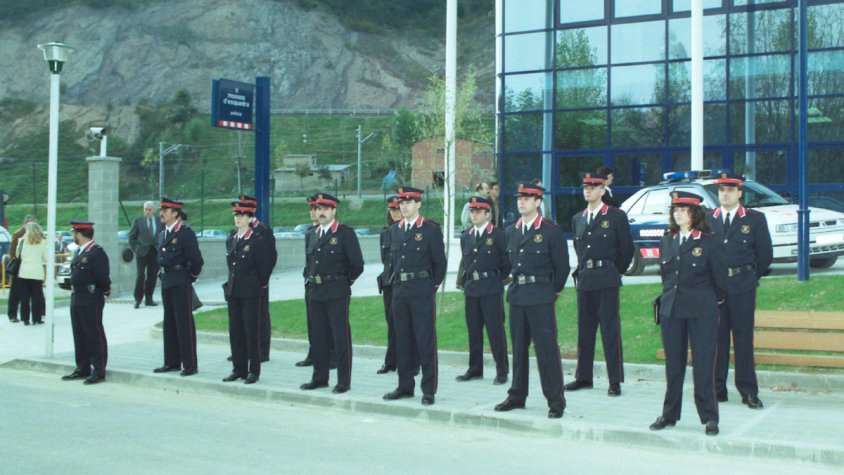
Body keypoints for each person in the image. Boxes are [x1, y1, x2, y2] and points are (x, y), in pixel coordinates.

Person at [650, 191, 727, 436]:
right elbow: (667, 277)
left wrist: (707, 301)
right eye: (675, 210)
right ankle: (669, 414)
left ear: (694, 213)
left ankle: (709, 417)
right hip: (672, 310)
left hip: (701, 310)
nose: (678, 213)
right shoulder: (668, 240)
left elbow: (720, 280)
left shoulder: (709, 241)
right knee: (674, 366)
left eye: (683, 210)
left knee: (703, 365)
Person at [494, 183, 570, 419]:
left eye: (527, 198)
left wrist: (552, 292)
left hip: (540, 297)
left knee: (546, 350)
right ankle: (517, 395)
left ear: (538, 202)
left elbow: (562, 268)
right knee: (518, 350)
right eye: (519, 198)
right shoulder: (510, 231)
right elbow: (506, 266)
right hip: (517, 296)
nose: (521, 202)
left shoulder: (550, 231)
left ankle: (555, 401)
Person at [707, 173, 773, 409]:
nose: (725, 194)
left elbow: (765, 256)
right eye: (721, 190)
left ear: (740, 192)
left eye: (730, 190)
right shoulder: (707, 219)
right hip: (715, 288)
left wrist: (747, 277)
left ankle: (748, 391)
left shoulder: (754, 219)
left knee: (743, 339)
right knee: (717, 339)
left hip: (742, 286)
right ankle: (717, 389)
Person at [566, 173, 634, 396]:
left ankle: (615, 381)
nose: (588, 190)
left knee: (609, 331)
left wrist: (615, 270)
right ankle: (583, 377)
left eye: (593, 187)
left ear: (602, 191)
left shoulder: (615, 216)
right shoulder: (578, 218)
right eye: (586, 187)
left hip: (606, 277)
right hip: (586, 278)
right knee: (585, 331)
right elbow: (579, 249)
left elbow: (626, 249)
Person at [383, 186, 446, 406]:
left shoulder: (429, 229)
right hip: (400, 288)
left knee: (425, 339)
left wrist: (431, 287)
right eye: (401, 202)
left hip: (421, 287)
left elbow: (440, 263)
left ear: (418, 204)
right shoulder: (394, 231)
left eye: (409, 202)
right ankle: (405, 385)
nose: (404, 206)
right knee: (402, 339)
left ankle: (428, 389)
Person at [300, 193, 364, 394]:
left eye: (326, 209)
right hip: (315, 291)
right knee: (318, 336)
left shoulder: (345, 234)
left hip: (336, 291)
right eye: (318, 209)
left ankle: (343, 381)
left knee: (340, 337)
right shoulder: (311, 234)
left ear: (334, 210)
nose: (321, 212)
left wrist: (343, 282)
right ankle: (319, 378)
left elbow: (357, 265)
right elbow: (309, 264)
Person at [456, 195, 510, 385]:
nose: (474, 214)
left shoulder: (498, 235)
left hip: (491, 288)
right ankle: (475, 368)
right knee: (474, 331)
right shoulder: (466, 236)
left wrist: (496, 280)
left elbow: (506, 264)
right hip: (471, 288)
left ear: (488, 213)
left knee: (496, 331)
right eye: (472, 211)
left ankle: (502, 370)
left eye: (478, 211)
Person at [222, 199, 275, 385]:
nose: (238, 218)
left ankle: (254, 370)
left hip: (251, 292)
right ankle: (239, 368)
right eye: (236, 215)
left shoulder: (257, 240)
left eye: (242, 215)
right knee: (235, 332)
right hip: (234, 292)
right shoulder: (231, 239)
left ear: (250, 217)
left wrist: (258, 285)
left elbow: (264, 267)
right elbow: (231, 267)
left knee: (251, 331)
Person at [153, 197, 204, 377]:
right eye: (162, 210)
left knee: (184, 323)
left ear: (175, 214)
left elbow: (197, 261)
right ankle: (172, 362)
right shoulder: (162, 234)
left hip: (181, 280)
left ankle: (190, 364)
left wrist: (189, 278)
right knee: (170, 323)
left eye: (165, 210)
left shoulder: (185, 233)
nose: (162, 213)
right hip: (167, 279)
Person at [61, 220, 111, 385]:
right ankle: (82, 367)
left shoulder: (96, 253)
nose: (72, 235)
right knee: (80, 334)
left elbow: (103, 278)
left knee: (93, 334)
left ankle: (98, 370)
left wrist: (104, 292)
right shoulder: (80, 252)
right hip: (77, 297)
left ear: (80, 234)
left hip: (91, 298)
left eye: (73, 232)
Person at [239, 194, 278, 362]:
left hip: (258, 281)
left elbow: (271, 257)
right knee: (242, 316)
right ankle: (243, 350)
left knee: (260, 315)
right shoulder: (237, 231)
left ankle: (262, 351)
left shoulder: (263, 230)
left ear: (252, 211)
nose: (241, 213)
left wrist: (263, 279)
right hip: (241, 282)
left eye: (245, 209)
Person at [376, 195, 403, 374]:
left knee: (405, 324)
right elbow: (385, 260)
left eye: (397, 209)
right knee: (391, 324)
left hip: (403, 283)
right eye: (392, 210)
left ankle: (410, 361)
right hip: (389, 283)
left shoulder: (407, 231)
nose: (394, 213)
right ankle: (391, 360)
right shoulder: (385, 233)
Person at [128, 201, 161, 309]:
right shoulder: (138, 221)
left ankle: (149, 299)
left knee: (152, 276)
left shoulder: (159, 221)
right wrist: (136, 249)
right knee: (140, 276)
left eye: (149, 209)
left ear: (154, 210)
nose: (147, 211)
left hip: (154, 251)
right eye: (146, 209)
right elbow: (131, 238)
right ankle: (138, 299)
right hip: (142, 252)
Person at [15, 222, 47, 325]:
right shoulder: (42, 242)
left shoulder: (22, 241)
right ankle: (37, 318)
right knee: (36, 297)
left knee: (24, 297)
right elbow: (45, 257)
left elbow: (17, 255)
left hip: (24, 272)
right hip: (37, 272)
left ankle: (25, 319)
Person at [6, 214, 36, 323]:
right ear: (26, 223)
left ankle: (39, 312)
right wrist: (15, 263)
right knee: (15, 292)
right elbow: (13, 252)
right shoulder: (18, 234)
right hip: (19, 266)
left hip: (30, 267)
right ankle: (12, 314)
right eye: (32, 223)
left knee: (35, 290)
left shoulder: (34, 234)